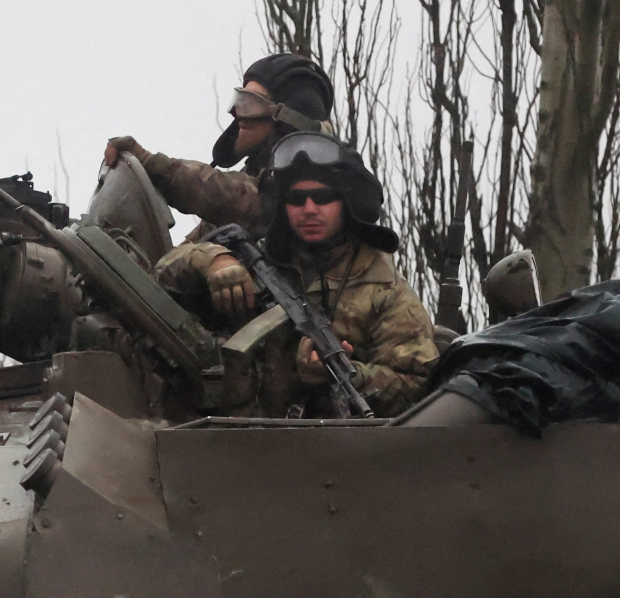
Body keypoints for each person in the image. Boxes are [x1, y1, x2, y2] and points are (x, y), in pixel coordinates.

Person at [153, 132, 438, 418]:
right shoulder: (256, 259)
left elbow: (417, 388)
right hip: (223, 436)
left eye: (323, 198)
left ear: (348, 203)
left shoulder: (384, 291)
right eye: (297, 199)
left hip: (321, 442)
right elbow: (160, 278)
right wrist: (213, 261)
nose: (309, 209)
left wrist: (349, 374)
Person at [103, 53, 333, 242]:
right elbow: (184, 255)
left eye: (250, 104)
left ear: (286, 120)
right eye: (239, 101)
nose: (238, 116)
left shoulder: (305, 189)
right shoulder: (251, 178)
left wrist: (150, 162)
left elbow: (233, 196)